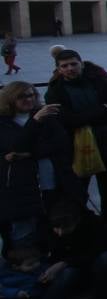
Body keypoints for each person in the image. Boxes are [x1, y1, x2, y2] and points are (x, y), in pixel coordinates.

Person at [45, 49, 107, 228]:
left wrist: (86, 116)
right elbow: (68, 120)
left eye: (73, 64)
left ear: (81, 64)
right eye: (64, 66)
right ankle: (83, 232)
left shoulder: (99, 82)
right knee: (78, 193)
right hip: (76, 148)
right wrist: (101, 109)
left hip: (106, 144)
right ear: (58, 69)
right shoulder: (55, 92)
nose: (70, 68)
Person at [0, 82, 66, 250]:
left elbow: (60, 142)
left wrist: (31, 154)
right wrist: (35, 122)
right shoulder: (4, 123)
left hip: (49, 180)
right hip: (20, 186)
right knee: (24, 231)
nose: (28, 99)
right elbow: (17, 146)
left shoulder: (47, 117)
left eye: (31, 95)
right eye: (22, 96)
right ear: (10, 99)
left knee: (50, 223)